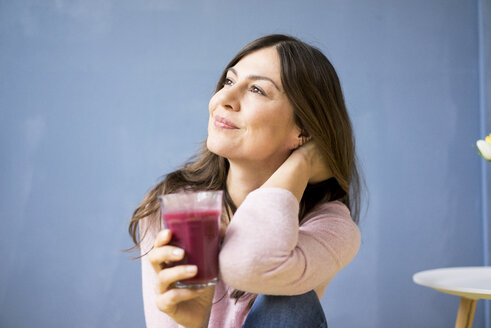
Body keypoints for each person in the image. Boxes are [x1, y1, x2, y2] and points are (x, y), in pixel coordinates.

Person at [128, 34, 362, 328]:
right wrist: (192, 325)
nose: (223, 100)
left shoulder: (329, 227)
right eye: (228, 82)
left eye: (256, 89)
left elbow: (247, 265)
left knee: (289, 298)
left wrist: (303, 162)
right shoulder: (175, 206)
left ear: (302, 131)